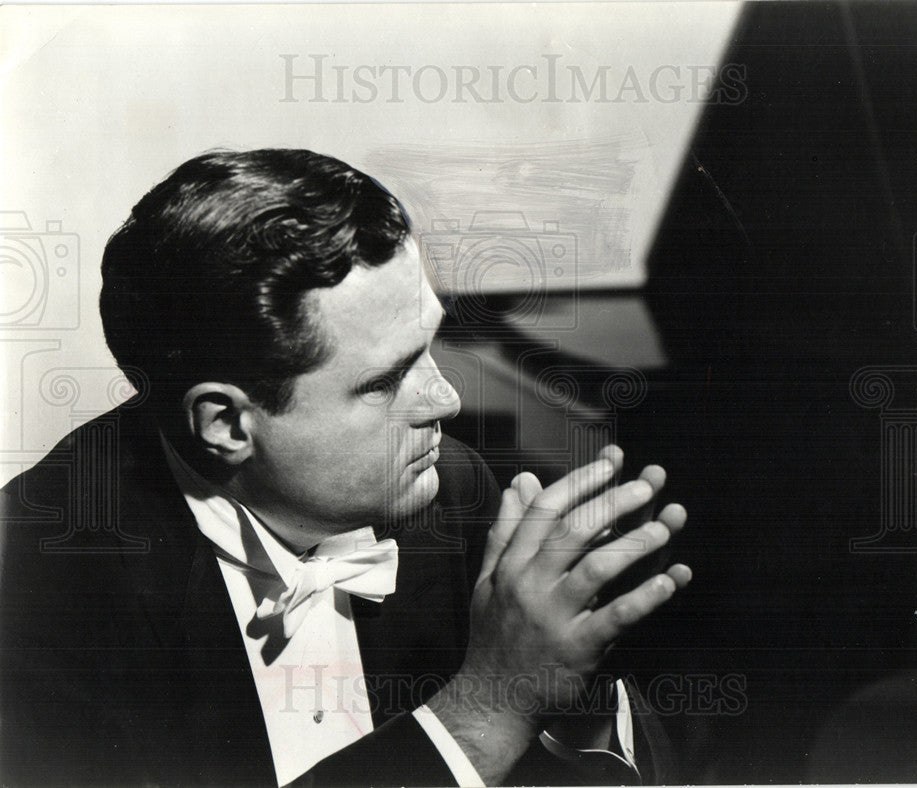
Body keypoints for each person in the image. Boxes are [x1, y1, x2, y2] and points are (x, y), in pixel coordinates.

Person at [0, 149, 692, 786]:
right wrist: (491, 707)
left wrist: (574, 683)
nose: (444, 399)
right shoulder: (32, 603)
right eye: (384, 381)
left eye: (428, 347)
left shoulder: (449, 489)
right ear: (227, 425)